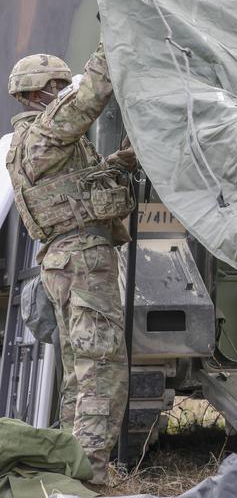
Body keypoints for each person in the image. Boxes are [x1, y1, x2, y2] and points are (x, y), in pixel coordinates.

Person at [6, 42, 135, 484]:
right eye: (54, 86)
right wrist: (112, 45)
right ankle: (91, 476)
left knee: (81, 373)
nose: (61, 92)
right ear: (31, 94)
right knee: (102, 368)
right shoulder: (44, 134)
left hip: (70, 259)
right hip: (80, 258)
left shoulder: (50, 143)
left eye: (63, 84)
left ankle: (71, 469)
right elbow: (89, 98)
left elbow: (78, 188)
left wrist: (118, 162)